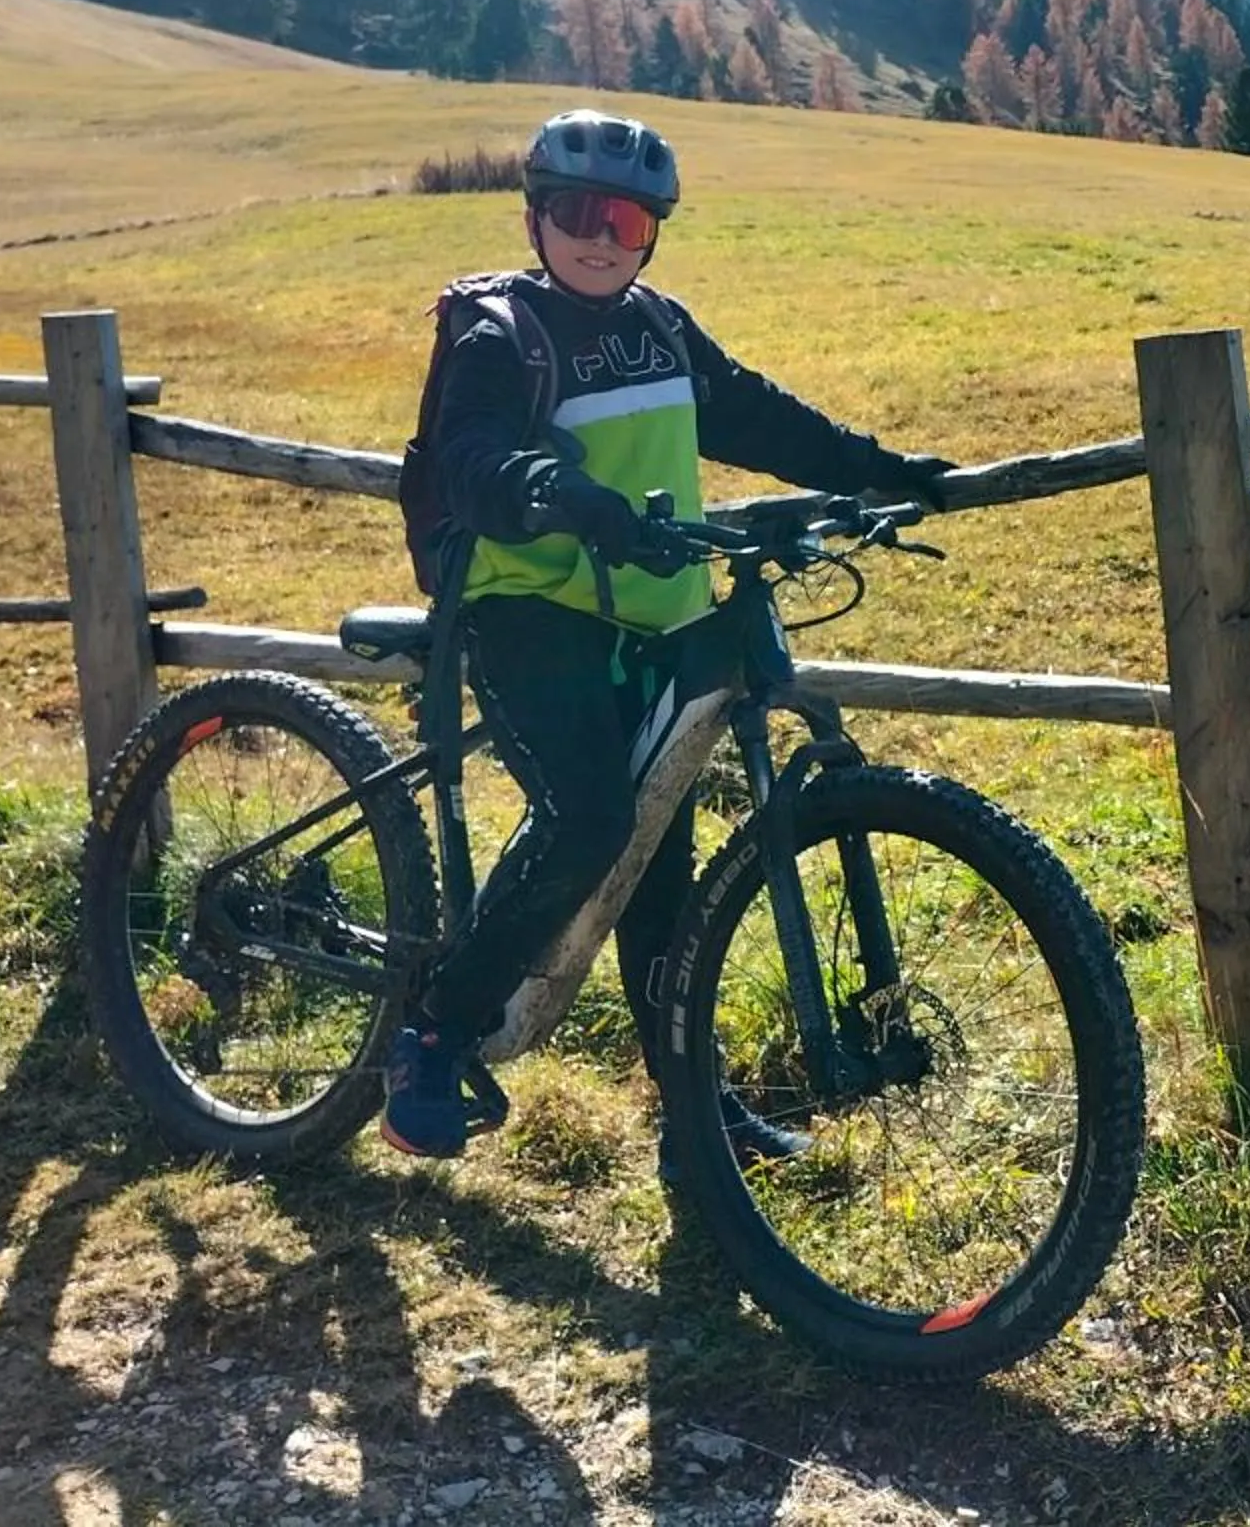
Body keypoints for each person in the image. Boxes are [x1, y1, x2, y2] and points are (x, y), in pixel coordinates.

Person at [381, 108, 956, 1163]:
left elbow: (758, 415)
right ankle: (435, 1032)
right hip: (527, 613)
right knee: (594, 821)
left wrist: (880, 467)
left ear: (655, 233)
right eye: (578, 211)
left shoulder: (659, 327)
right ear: (535, 215)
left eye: (632, 220)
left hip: (654, 620)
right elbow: (470, 456)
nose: (602, 236)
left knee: (660, 867)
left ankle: (693, 1116)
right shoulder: (496, 330)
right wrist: (553, 491)